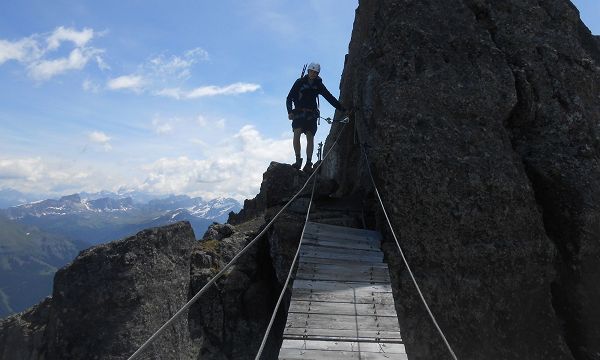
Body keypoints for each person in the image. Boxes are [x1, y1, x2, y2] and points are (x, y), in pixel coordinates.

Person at [286, 62, 346, 172]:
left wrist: (341, 108)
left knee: (310, 137)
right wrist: (290, 111)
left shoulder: (318, 85)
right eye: (311, 72)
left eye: (315, 72)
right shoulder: (299, 83)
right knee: (297, 133)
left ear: (317, 74)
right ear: (308, 71)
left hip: (311, 114)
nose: (313, 74)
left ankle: (308, 163)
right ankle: (298, 160)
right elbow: (289, 98)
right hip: (299, 113)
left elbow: (328, 97)